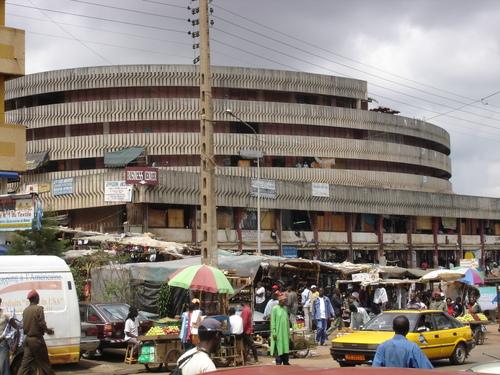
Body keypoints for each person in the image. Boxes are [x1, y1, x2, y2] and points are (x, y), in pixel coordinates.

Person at [18, 289, 55, 375]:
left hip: (28, 340)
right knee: (45, 364)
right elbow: (41, 323)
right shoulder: (39, 309)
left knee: (25, 365)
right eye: (38, 297)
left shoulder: (25, 310)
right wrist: (48, 331)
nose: (39, 298)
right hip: (37, 341)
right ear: (35, 298)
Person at [270, 294, 291, 365]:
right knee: (279, 347)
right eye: (284, 300)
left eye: (285, 300)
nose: (285, 301)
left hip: (285, 332)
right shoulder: (274, 309)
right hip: (278, 333)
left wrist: (289, 332)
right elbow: (273, 321)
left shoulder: (285, 308)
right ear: (280, 300)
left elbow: (287, 321)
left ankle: (286, 361)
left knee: (285, 346)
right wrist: (274, 332)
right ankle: (278, 361)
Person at [0, 297, 18, 375]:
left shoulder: (5, 314)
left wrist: (15, 344)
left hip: (2, 344)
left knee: (3, 368)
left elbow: (17, 328)